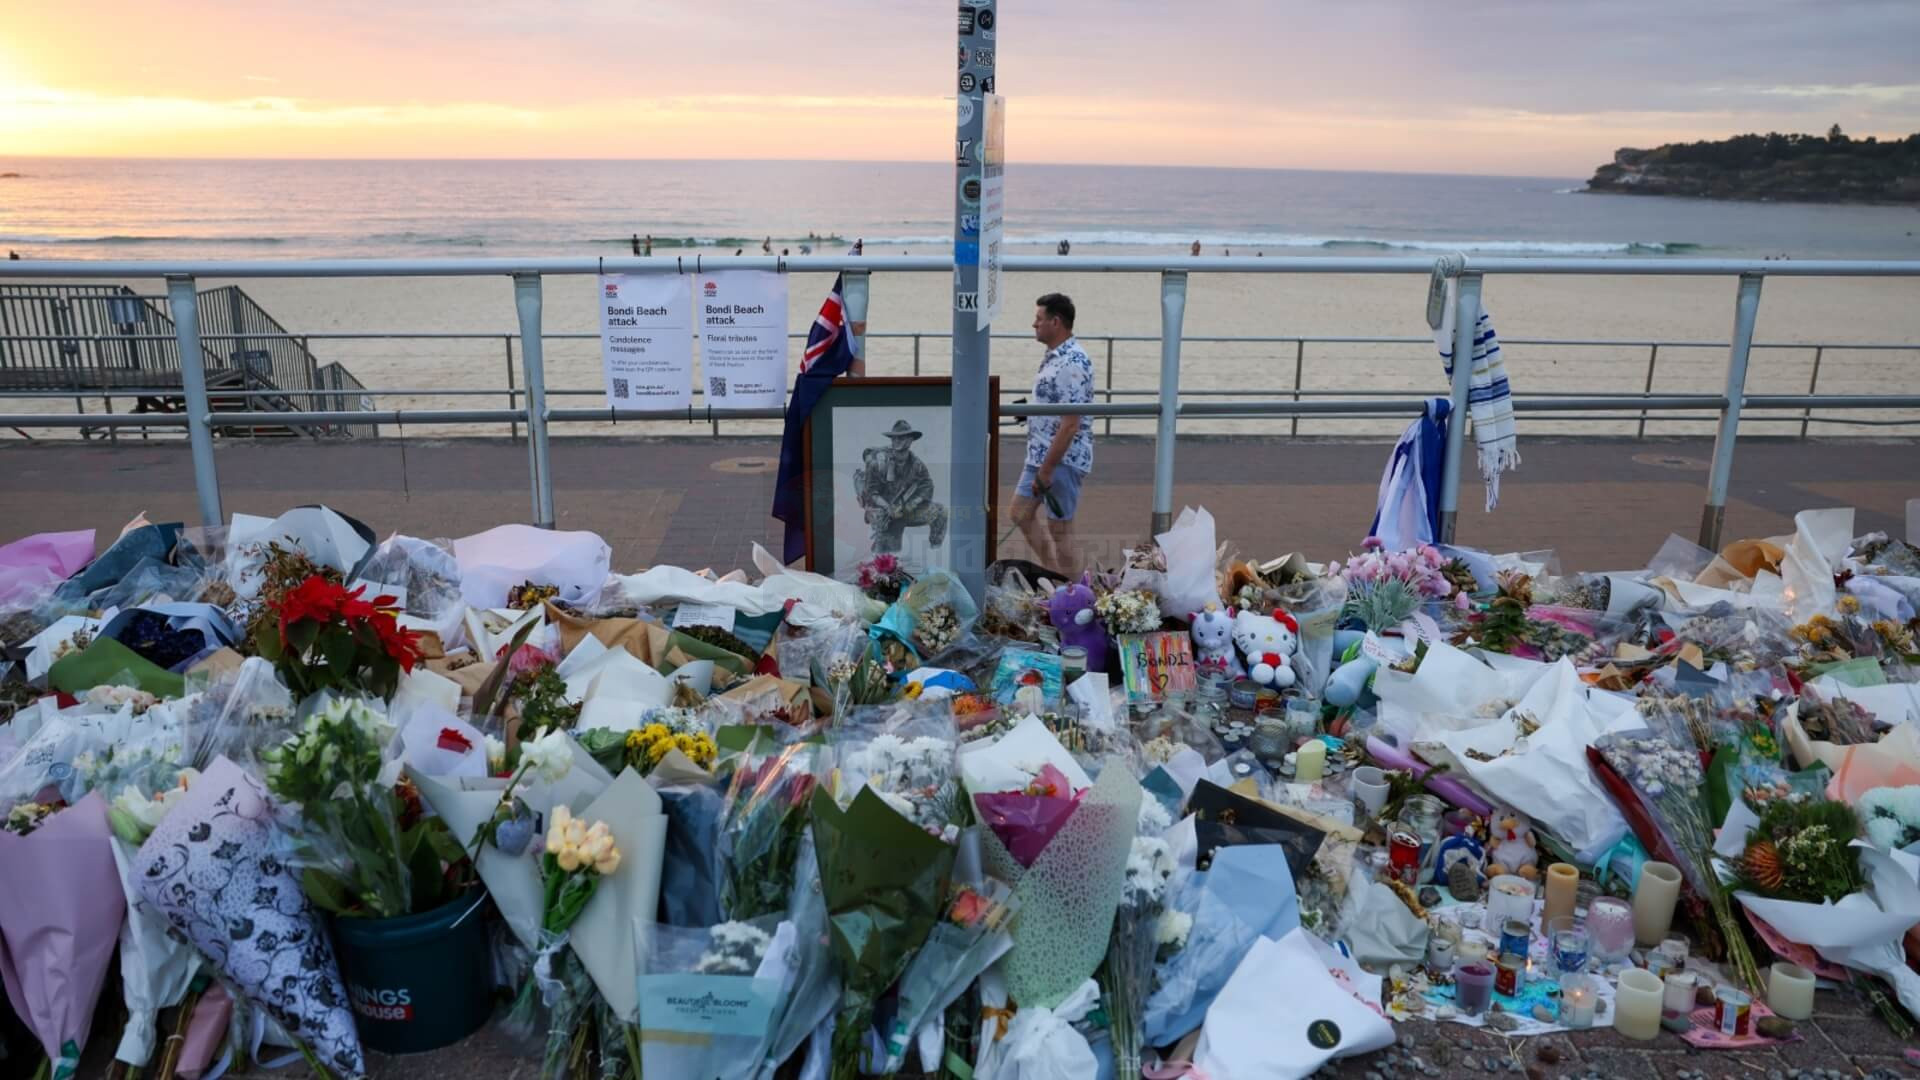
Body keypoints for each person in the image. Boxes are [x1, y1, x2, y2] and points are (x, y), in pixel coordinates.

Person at [1014, 293, 1094, 570]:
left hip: (1061, 458)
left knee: (1061, 529)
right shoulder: (1054, 357)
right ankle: (1053, 573)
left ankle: (1076, 590)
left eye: (1039, 318)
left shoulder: (1072, 362)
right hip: (1039, 454)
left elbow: (1071, 423)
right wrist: (1032, 412)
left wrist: (1047, 470)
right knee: (1020, 513)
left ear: (1055, 322)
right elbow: (1056, 404)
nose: (1034, 324)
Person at [854, 420, 949, 555]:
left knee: (941, 512)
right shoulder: (878, 462)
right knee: (889, 554)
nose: (897, 441)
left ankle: (935, 551)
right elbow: (871, 493)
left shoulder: (916, 464)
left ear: (910, 440)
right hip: (884, 511)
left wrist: (911, 504)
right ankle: (881, 551)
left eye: (902, 438)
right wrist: (888, 507)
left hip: (905, 509)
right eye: (894, 438)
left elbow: (927, 485)